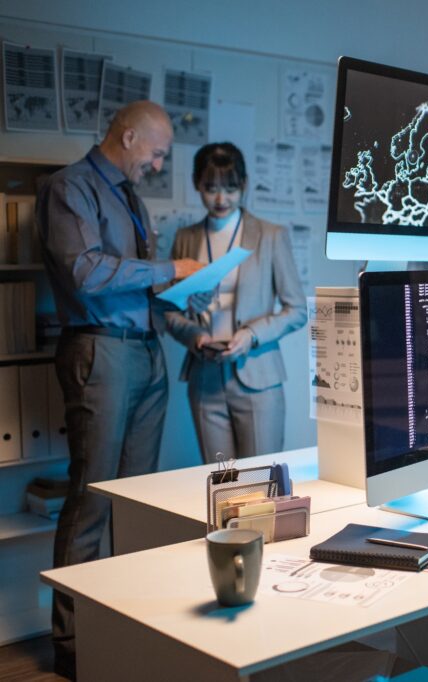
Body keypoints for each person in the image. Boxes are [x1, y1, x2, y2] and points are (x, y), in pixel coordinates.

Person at [36, 100, 204, 679]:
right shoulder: (69, 188)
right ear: (128, 137)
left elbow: (134, 278)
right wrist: (167, 272)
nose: (158, 164)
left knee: (135, 504)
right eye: (156, 152)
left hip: (145, 352)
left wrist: (189, 288)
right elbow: (84, 270)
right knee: (93, 501)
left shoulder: (130, 197)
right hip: (99, 351)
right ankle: (73, 646)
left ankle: (125, 631)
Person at [165, 142, 307, 463]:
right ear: (196, 184)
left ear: (243, 185)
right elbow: (170, 311)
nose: (220, 199)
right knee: (221, 485)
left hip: (258, 377)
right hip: (205, 376)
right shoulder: (185, 238)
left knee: (260, 483)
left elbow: (296, 310)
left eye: (230, 189)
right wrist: (193, 336)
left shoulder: (270, 235)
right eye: (210, 188)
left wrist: (252, 334)